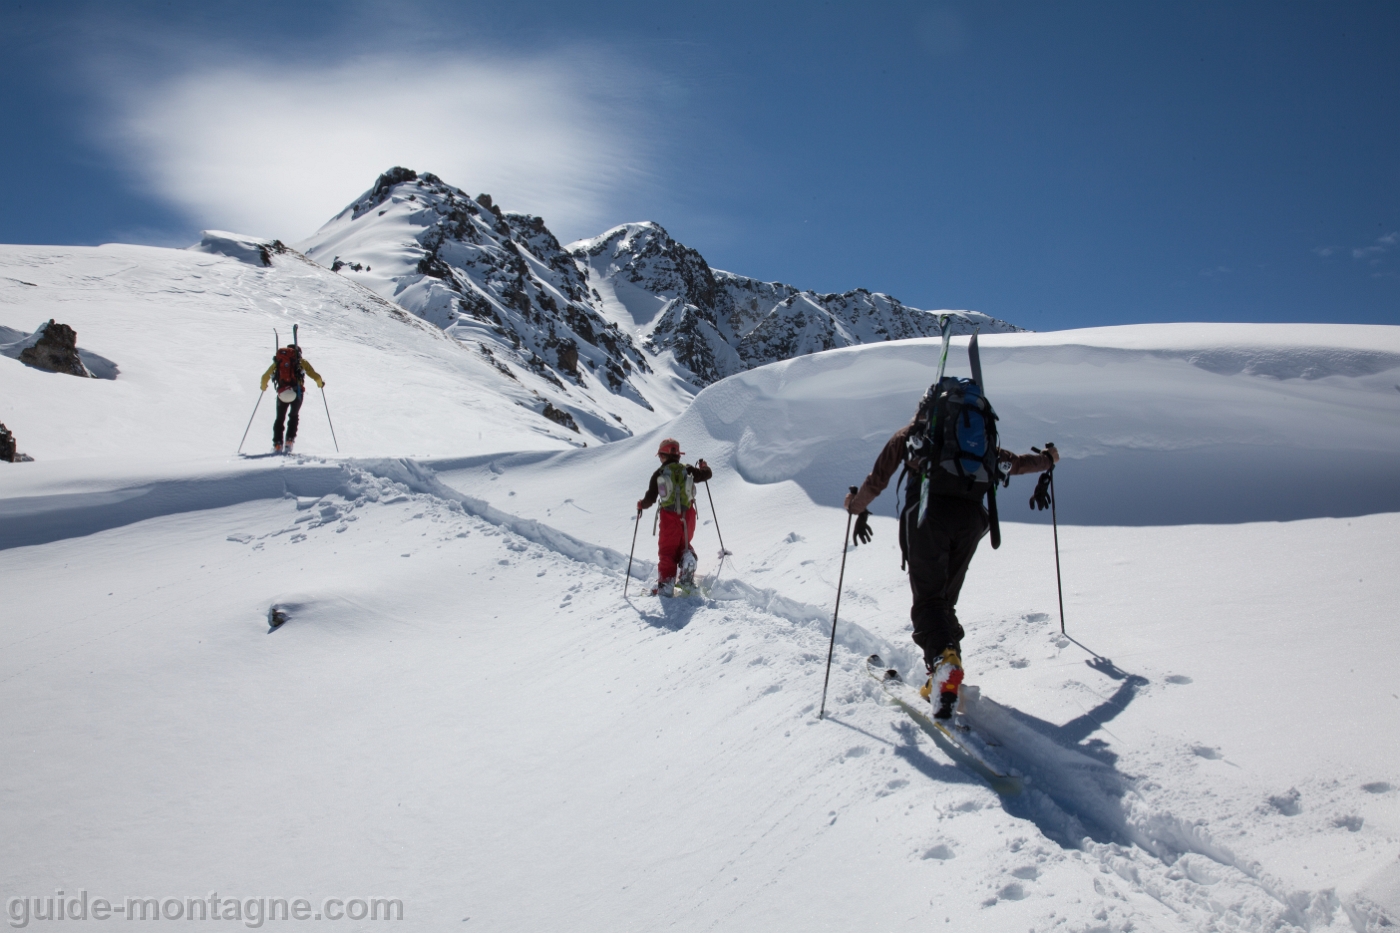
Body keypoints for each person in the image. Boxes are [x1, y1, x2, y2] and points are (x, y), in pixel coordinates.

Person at [844, 386, 1057, 719]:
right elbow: (1015, 464)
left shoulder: (914, 434)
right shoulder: (978, 441)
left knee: (929, 602)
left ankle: (944, 666)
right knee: (944, 602)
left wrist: (854, 506)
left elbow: (877, 480)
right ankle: (944, 673)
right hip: (972, 520)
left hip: (929, 517)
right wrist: (1048, 459)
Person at [636, 438, 713, 596]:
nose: (660, 459)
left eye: (660, 456)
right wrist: (704, 467)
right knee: (684, 545)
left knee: (667, 551)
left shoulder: (659, 473)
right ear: (678, 455)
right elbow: (707, 475)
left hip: (669, 519)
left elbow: (650, 499)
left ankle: (665, 586)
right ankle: (687, 571)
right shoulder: (688, 469)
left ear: (664, 456)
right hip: (689, 517)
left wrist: (641, 505)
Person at [259, 344, 324, 454]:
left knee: (280, 418)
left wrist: (263, 387)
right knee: (293, 416)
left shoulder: (279, 361)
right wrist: (320, 384)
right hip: (297, 393)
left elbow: (265, 377)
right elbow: (316, 376)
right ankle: (289, 441)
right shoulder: (301, 362)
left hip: (282, 392)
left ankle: (277, 444)